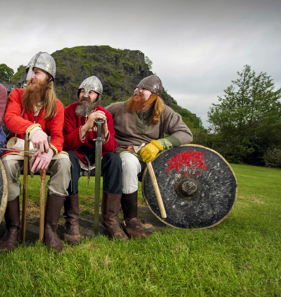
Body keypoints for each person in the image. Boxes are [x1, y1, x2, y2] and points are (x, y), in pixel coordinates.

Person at [0, 52, 71, 253]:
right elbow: (10, 118)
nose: (32, 76)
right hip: (18, 147)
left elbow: (58, 137)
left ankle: (50, 229)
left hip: (45, 152)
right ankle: (12, 228)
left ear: (49, 78)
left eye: (38, 72)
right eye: (31, 71)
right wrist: (33, 129)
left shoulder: (56, 105)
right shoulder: (16, 95)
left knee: (64, 163)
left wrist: (50, 153)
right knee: (6, 165)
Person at [106, 75, 193, 238]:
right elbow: (98, 119)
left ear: (154, 96)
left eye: (143, 90)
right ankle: (130, 219)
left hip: (149, 157)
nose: (138, 91)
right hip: (122, 152)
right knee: (129, 162)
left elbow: (186, 134)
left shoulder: (165, 112)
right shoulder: (117, 108)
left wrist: (159, 144)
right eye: (137, 88)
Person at [63, 76, 128, 242]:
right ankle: (72, 221)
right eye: (83, 91)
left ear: (97, 96)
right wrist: (85, 126)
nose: (86, 95)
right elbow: (66, 143)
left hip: (98, 154)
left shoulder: (105, 114)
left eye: (91, 92)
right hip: (76, 152)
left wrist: (104, 129)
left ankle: (111, 219)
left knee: (114, 159)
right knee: (67, 159)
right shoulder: (68, 112)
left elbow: (111, 147)